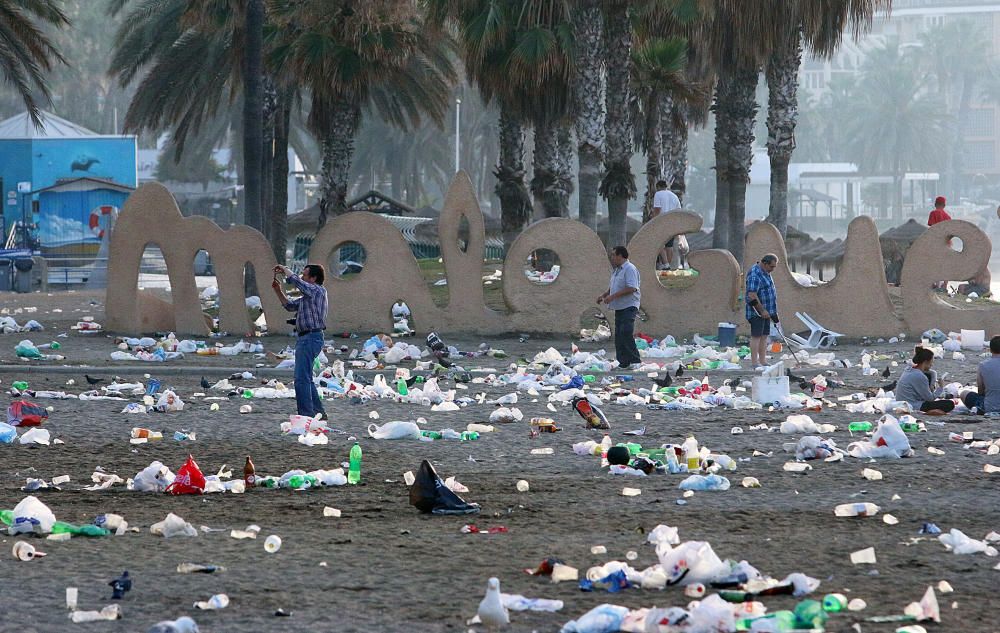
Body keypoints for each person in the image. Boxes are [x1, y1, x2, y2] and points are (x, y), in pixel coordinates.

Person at [272, 264, 329, 418]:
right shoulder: (307, 297)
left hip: (311, 337)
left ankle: (306, 415)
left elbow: (297, 282)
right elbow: (290, 306)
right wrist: (278, 291)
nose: (302, 278)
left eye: (305, 275)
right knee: (306, 378)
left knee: (301, 379)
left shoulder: (317, 290)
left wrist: (285, 270)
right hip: (306, 337)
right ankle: (318, 412)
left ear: (313, 278)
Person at [597, 246, 642, 370]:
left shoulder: (629, 269)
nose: (612, 258)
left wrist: (612, 297)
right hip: (619, 306)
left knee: (626, 331)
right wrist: (605, 295)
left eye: (613, 255)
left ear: (620, 256)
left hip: (629, 305)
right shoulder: (617, 270)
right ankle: (623, 362)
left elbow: (631, 288)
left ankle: (635, 359)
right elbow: (615, 286)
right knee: (619, 334)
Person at [745, 254, 779, 370]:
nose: (773, 269)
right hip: (757, 312)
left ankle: (763, 361)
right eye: (771, 266)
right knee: (756, 336)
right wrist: (762, 310)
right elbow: (752, 295)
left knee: (764, 336)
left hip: (767, 312)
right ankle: (755, 362)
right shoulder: (755, 274)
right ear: (764, 264)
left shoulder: (766, 272)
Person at [896, 347, 954, 415]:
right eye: (931, 362)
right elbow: (930, 399)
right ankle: (929, 412)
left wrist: (933, 375)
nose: (931, 365)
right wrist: (940, 387)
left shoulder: (909, 369)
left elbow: (930, 373)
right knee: (949, 404)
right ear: (926, 362)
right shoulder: (919, 376)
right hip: (913, 405)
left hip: (901, 403)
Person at [962, 335, 1000, 414]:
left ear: (990, 350)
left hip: (989, 406)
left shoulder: (983, 365)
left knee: (964, 393)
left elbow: (981, 391)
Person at [652, 180, 681, 270]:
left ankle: (666, 264)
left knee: (659, 243)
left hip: (662, 222)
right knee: (669, 245)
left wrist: (654, 221)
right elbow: (679, 210)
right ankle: (668, 266)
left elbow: (657, 209)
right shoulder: (674, 196)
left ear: (658, 187)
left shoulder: (658, 194)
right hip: (672, 223)